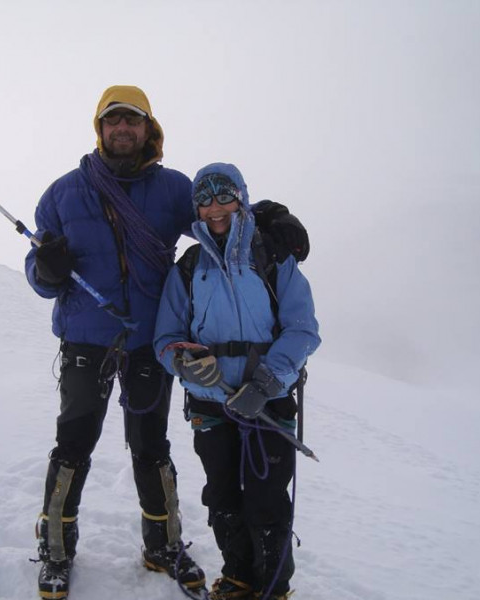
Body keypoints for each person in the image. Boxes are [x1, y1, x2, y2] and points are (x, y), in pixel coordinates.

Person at [25, 86, 309, 600]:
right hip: (85, 341)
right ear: (100, 128)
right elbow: (40, 270)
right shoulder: (63, 194)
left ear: (148, 128)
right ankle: (56, 551)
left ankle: (163, 545)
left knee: (150, 446)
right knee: (73, 445)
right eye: (113, 121)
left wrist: (271, 216)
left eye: (132, 120)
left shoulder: (173, 189)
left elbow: (220, 216)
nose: (122, 130)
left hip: (146, 343)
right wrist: (45, 269)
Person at [153, 163, 321, 600]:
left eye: (223, 194)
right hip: (211, 404)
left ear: (242, 197)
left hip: (269, 402)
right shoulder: (188, 267)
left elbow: (303, 329)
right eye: (204, 198)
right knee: (223, 497)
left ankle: (273, 588)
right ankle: (238, 578)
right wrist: (186, 366)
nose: (214, 207)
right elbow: (166, 338)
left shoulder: (273, 257)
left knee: (266, 500)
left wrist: (266, 382)